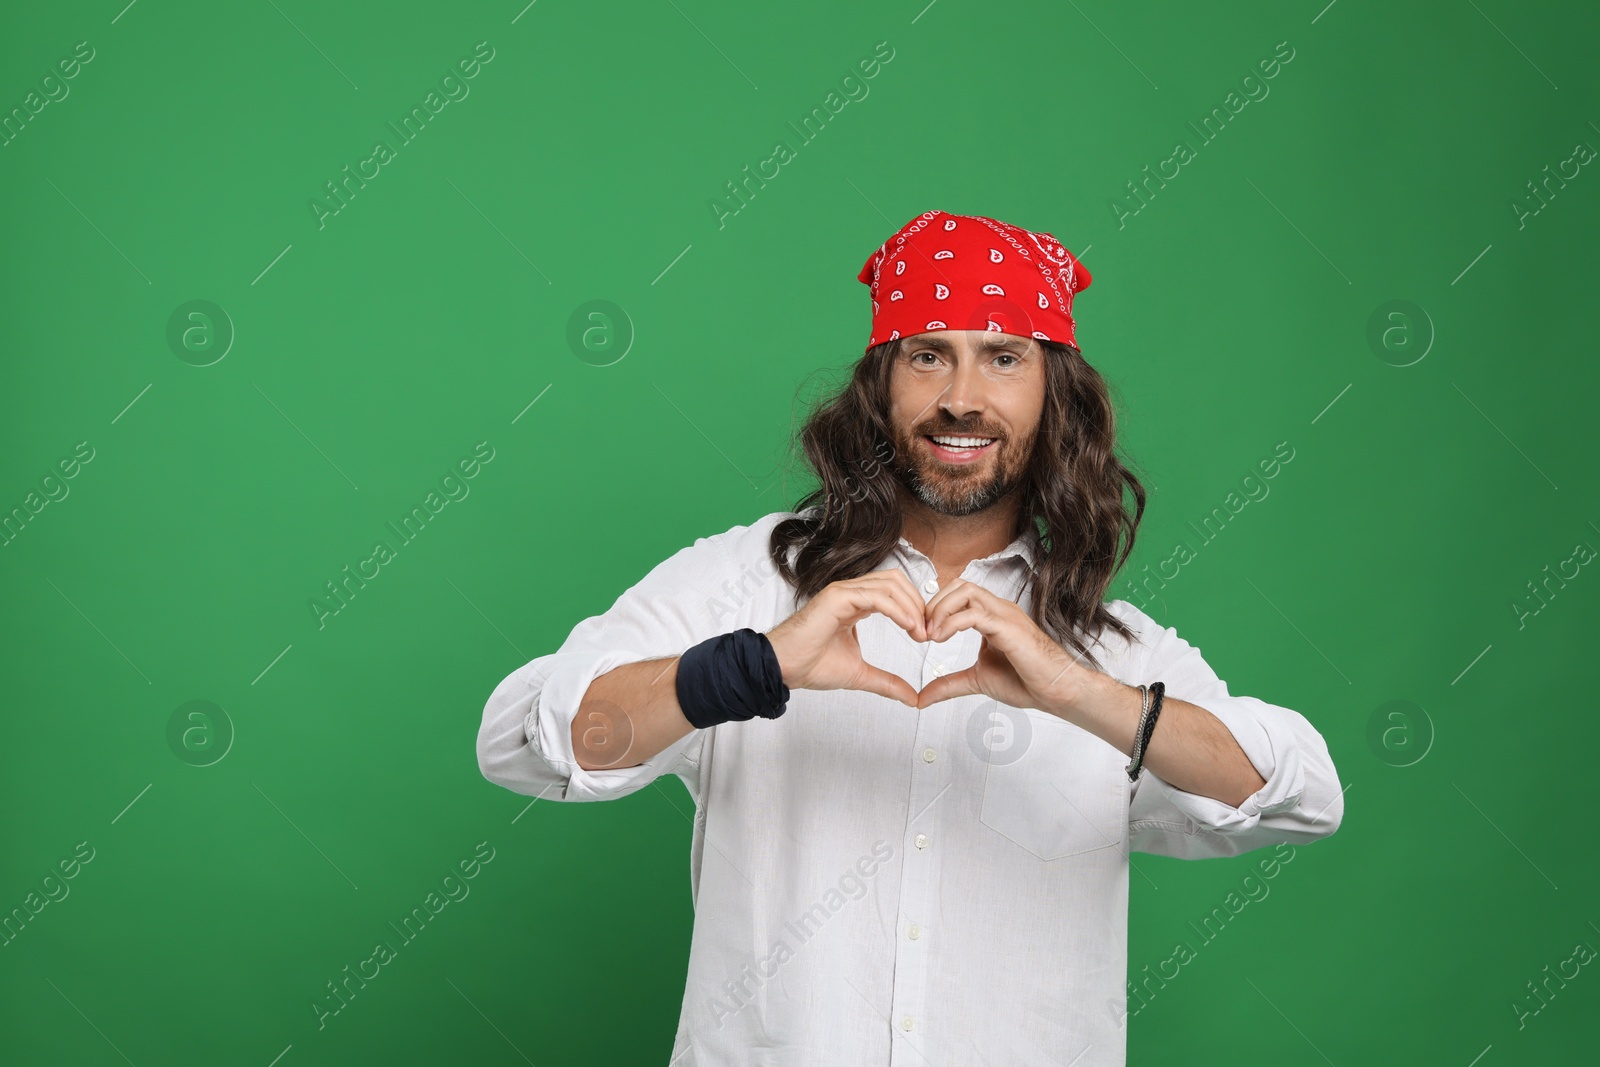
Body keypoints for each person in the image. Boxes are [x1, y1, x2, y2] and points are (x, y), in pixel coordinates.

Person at [476, 209, 1344, 1066]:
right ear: (882, 383)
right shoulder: (746, 582)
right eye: (928, 354)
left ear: (1055, 394)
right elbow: (525, 742)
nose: (961, 397)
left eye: (1004, 357)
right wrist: (757, 664)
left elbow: (1303, 795)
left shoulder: (1110, 651)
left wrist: (1078, 692)